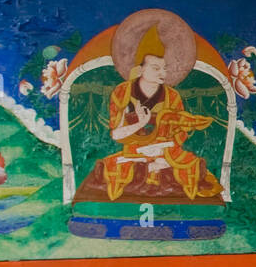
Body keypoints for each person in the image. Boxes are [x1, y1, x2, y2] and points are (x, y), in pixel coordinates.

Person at [84, 25, 222, 202]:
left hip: (166, 153)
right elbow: (117, 134)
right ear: (140, 69)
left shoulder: (172, 96)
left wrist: (162, 149)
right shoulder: (123, 93)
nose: (162, 73)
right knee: (116, 170)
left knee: (191, 168)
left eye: (164, 68)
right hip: (133, 152)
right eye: (156, 68)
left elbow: (180, 133)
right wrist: (140, 124)